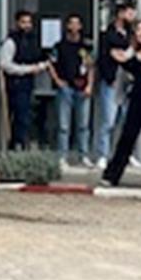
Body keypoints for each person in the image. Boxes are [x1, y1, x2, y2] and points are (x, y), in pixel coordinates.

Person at [101, 19, 141, 188]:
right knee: (127, 137)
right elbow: (123, 76)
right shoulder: (130, 52)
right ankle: (112, 175)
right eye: (138, 30)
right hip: (137, 99)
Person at [92, 2, 137, 167]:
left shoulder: (132, 35)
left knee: (127, 121)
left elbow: (130, 55)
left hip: (129, 83)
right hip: (112, 82)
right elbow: (106, 57)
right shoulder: (107, 35)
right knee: (108, 121)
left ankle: (125, 154)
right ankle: (103, 155)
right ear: (120, 14)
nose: (132, 17)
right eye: (130, 13)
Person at [48, 14, 94, 167]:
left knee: (83, 126)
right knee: (63, 126)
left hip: (83, 88)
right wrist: (57, 81)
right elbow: (50, 64)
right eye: (71, 23)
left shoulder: (86, 46)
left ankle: (84, 155)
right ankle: (62, 157)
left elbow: (90, 67)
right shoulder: (59, 46)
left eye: (77, 23)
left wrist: (90, 85)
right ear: (67, 26)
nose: (74, 27)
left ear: (80, 26)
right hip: (66, 88)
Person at [0, 10, 47, 150]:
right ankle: (13, 146)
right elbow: (5, 65)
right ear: (17, 23)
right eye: (23, 22)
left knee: (24, 117)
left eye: (29, 22)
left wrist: (42, 65)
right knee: (17, 117)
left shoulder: (33, 41)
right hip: (14, 84)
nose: (27, 25)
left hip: (28, 84)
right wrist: (28, 69)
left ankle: (20, 145)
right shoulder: (11, 42)